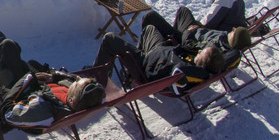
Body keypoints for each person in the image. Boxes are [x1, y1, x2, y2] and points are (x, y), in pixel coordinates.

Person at [0, 31, 106, 128]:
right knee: (29, 63)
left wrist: (29, 79)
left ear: (72, 100)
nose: (77, 78)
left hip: (20, 91)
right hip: (38, 83)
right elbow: (73, 78)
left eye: (76, 84)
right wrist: (52, 77)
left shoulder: (45, 110)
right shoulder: (88, 96)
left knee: (7, 47)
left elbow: (8, 115)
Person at [93, 24, 225, 90]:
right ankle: (128, 74)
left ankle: (98, 81)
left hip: (145, 65)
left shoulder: (184, 70)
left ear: (202, 62)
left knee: (109, 38)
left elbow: (156, 75)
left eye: (202, 52)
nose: (200, 51)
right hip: (158, 52)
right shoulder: (191, 62)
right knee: (149, 28)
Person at [140, 8, 252, 53]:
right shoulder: (225, 37)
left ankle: (143, 52)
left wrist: (189, 32)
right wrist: (200, 28)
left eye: (234, 31)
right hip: (195, 31)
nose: (232, 29)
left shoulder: (215, 45)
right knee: (183, 11)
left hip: (185, 38)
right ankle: (169, 34)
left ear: (234, 38)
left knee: (150, 17)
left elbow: (191, 46)